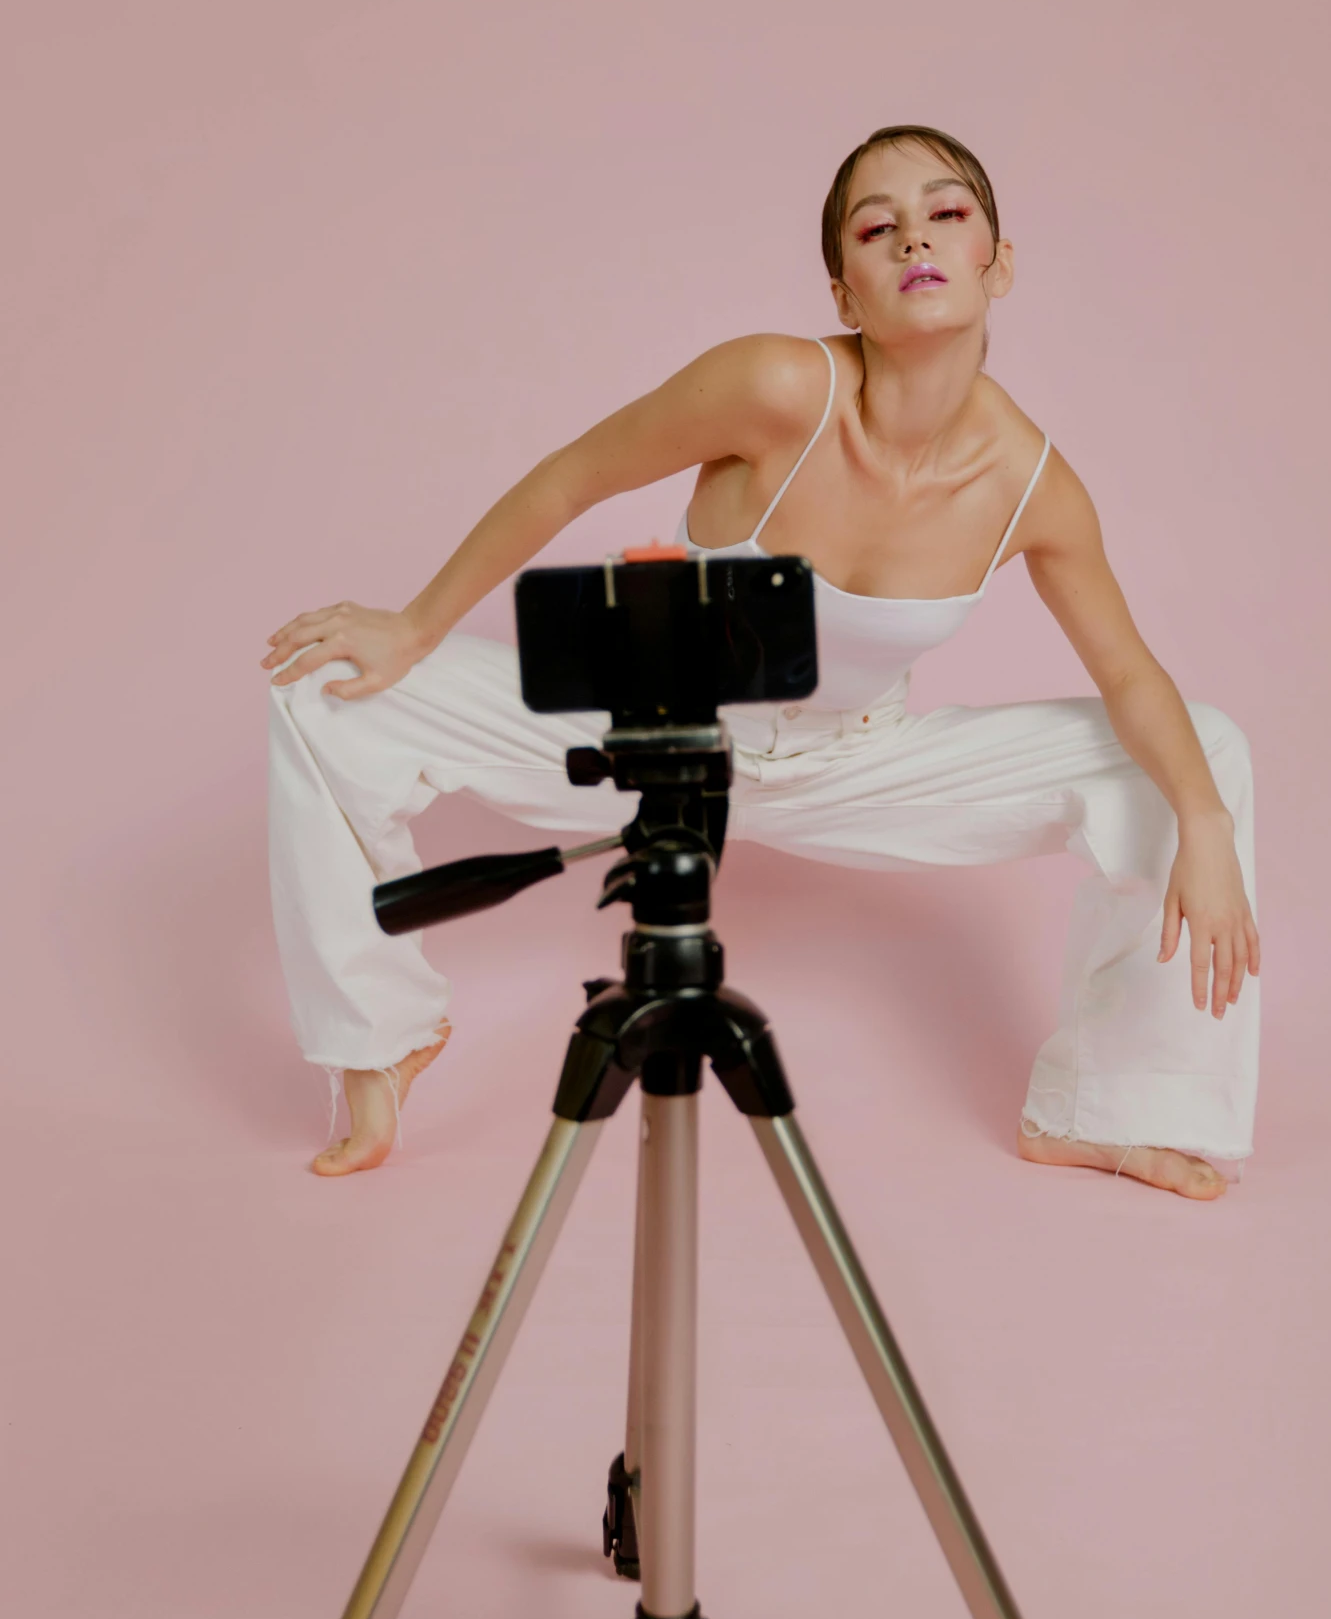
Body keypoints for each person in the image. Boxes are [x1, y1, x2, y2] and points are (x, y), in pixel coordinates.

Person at [264, 125, 1259, 1195]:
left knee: (1199, 755)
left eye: (947, 213)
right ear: (846, 293)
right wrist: (413, 626)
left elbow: (1130, 678)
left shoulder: (1031, 486)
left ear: (997, 264)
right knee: (326, 697)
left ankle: (1103, 1106)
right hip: (656, 732)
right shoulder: (776, 387)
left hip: (858, 768)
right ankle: (380, 1040)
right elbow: (571, 478)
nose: (914, 236)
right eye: (878, 227)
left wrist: (1203, 824)